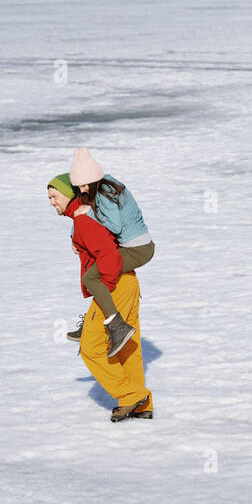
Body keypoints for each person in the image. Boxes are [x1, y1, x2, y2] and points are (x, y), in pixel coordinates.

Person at [48, 177, 153, 421]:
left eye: (55, 196)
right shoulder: (83, 217)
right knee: (128, 347)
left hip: (115, 285)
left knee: (91, 348)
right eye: (49, 198)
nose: (51, 202)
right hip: (127, 282)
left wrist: (103, 295)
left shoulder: (84, 219)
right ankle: (140, 406)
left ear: (70, 194)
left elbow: (109, 257)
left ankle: (133, 395)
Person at [60, 148, 155, 357]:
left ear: (94, 179)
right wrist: (73, 235)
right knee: (98, 266)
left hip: (139, 249)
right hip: (130, 246)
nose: (82, 190)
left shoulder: (106, 192)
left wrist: (90, 213)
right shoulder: (98, 187)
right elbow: (81, 213)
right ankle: (94, 321)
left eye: (84, 185)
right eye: (78, 187)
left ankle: (118, 326)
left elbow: (114, 225)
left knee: (91, 277)